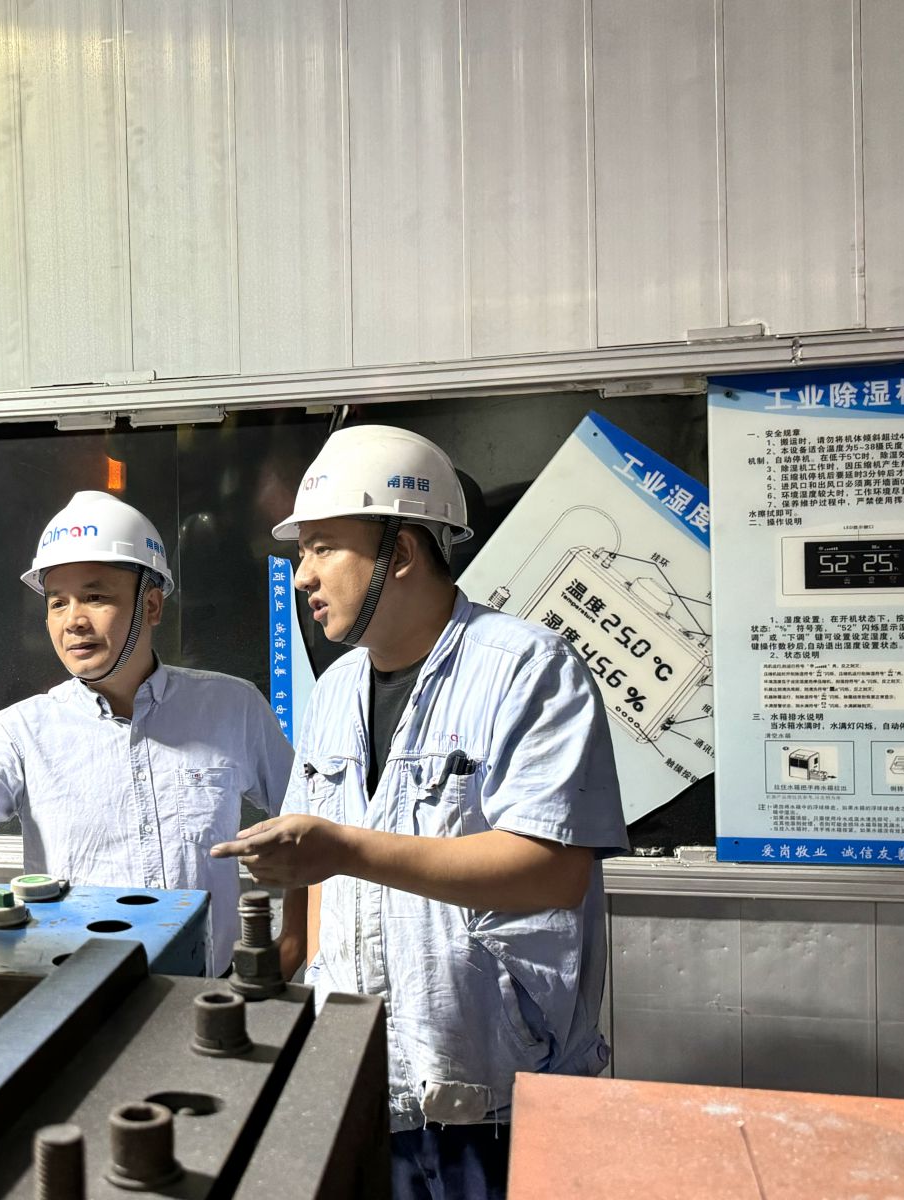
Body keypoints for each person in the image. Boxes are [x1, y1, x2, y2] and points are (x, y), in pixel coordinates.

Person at [210, 426, 628, 1200]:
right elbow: (315, 876)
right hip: (360, 1077)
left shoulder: (528, 670)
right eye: (302, 551)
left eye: (323, 547)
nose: (303, 574)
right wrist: (271, 986)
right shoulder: (335, 691)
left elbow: (553, 872)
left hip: (496, 1097)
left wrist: (348, 850)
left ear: (400, 552)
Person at [0, 490, 301, 978]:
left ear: (152, 605)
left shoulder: (233, 707)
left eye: (95, 597)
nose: (74, 621)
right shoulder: (23, 729)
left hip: (205, 992)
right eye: (57, 603)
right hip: (73, 993)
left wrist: (292, 946)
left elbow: (311, 824)